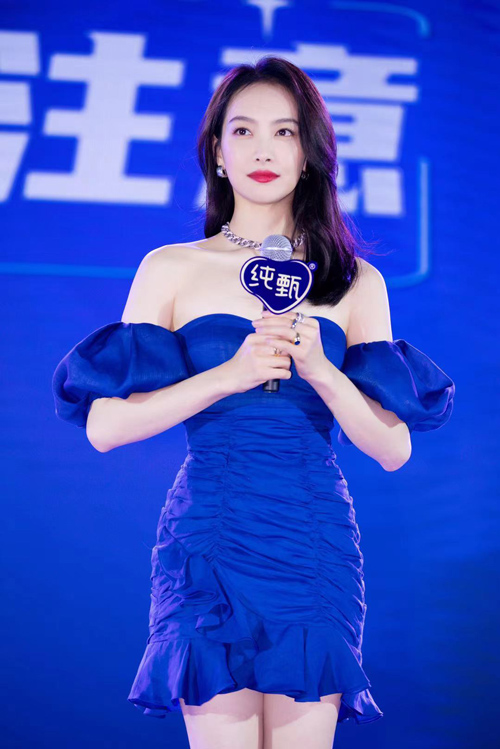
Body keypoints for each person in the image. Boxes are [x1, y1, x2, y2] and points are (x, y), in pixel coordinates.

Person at [52, 56, 455, 749]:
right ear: (217, 151)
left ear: (310, 152)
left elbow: (393, 448)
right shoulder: (172, 268)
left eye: (284, 131)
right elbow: (105, 427)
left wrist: (322, 371)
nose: (263, 150)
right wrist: (227, 375)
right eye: (243, 131)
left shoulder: (355, 281)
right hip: (209, 532)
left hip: (311, 536)